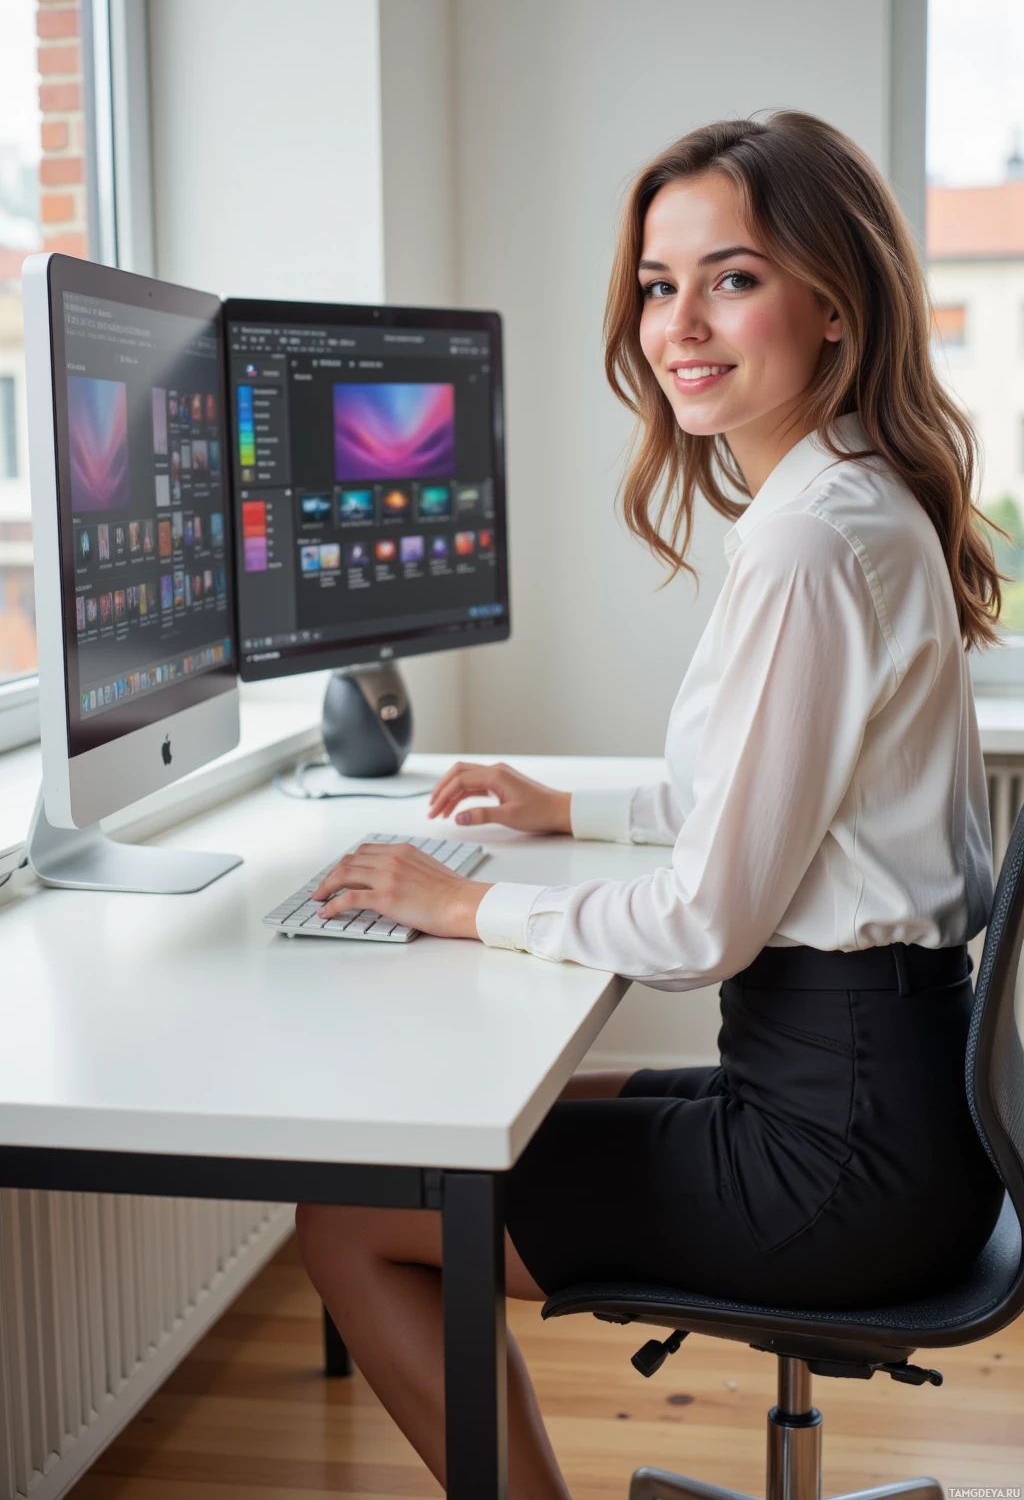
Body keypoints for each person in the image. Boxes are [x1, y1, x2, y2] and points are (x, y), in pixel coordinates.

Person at [295, 111, 1006, 1499]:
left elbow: (704, 928)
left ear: (836, 304)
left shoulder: (807, 540)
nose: (680, 322)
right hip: (885, 1107)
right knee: (482, 1133)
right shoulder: (851, 496)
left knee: (353, 1213)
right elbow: (775, 802)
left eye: (731, 279)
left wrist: (467, 903)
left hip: (840, 1161)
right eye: (657, 283)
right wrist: (575, 809)